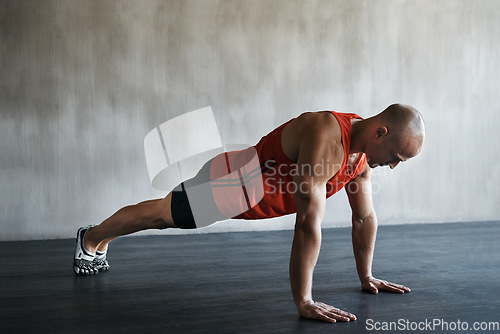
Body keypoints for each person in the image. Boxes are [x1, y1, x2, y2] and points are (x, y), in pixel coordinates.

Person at [73, 103, 425, 324]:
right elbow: (307, 223)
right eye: (397, 156)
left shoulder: (361, 159)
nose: (393, 166)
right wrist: (304, 301)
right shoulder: (326, 137)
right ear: (381, 132)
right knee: (162, 216)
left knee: (164, 215)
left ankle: (95, 236)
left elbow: (363, 218)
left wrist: (367, 276)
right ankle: (91, 238)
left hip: (257, 197)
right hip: (233, 186)